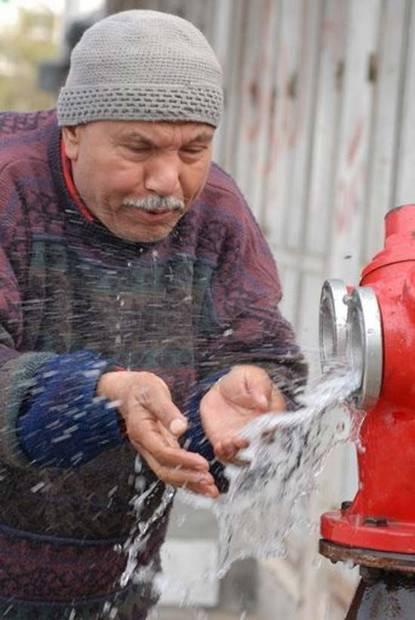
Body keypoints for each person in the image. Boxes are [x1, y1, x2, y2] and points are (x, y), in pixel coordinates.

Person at [0, 9, 307, 619]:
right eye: (138, 147)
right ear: (72, 133)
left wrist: (234, 403)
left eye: (194, 148)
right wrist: (100, 397)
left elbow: (268, 359)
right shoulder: (10, 186)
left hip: (116, 581)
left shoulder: (216, 213)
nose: (169, 182)